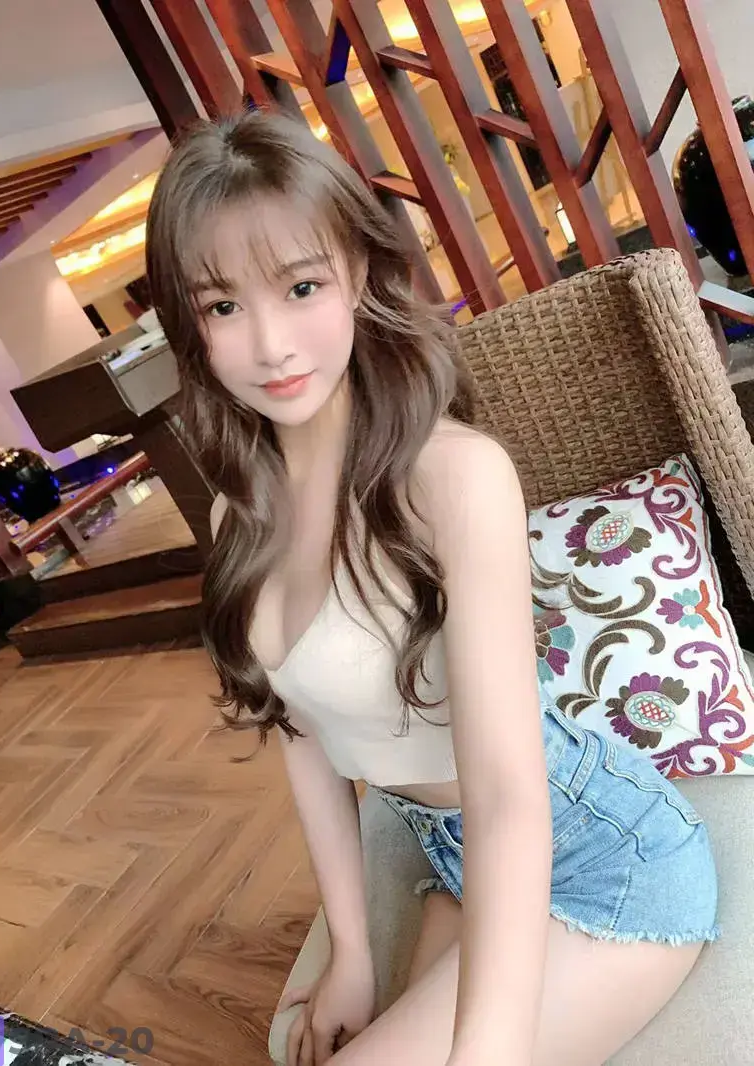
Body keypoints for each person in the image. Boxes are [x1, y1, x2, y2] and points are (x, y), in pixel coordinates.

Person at [145, 111, 719, 1066]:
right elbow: (302, 739)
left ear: (359, 274)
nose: (272, 344)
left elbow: (507, 793)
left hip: (601, 856)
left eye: (300, 286)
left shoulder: (453, 478)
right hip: (454, 857)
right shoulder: (236, 514)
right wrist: (353, 951)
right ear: (189, 324)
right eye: (223, 306)